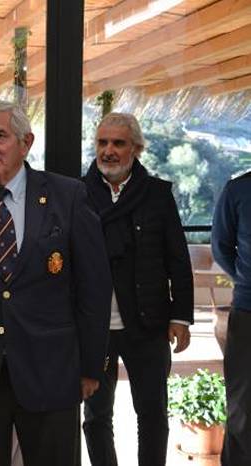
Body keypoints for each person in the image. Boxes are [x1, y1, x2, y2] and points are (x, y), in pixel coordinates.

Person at [0, 99, 111, 466]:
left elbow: (93, 287)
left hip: (51, 371)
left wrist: (91, 366)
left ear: (26, 142)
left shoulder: (68, 196)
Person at [82, 112, 193, 466]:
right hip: (94, 325)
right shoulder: (77, 194)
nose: (109, 151)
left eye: (118, 143)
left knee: (153, 414)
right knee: (97, 416)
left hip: (148, 322)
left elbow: (177, 258)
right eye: (103, 143)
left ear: (136, 149)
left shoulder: (157, 194)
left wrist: (181, 316)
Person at [212, 170, 251, 466]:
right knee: (242, 407)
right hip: (248, 312)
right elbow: (221, 248)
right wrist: (246, 281)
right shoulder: (238, 189)